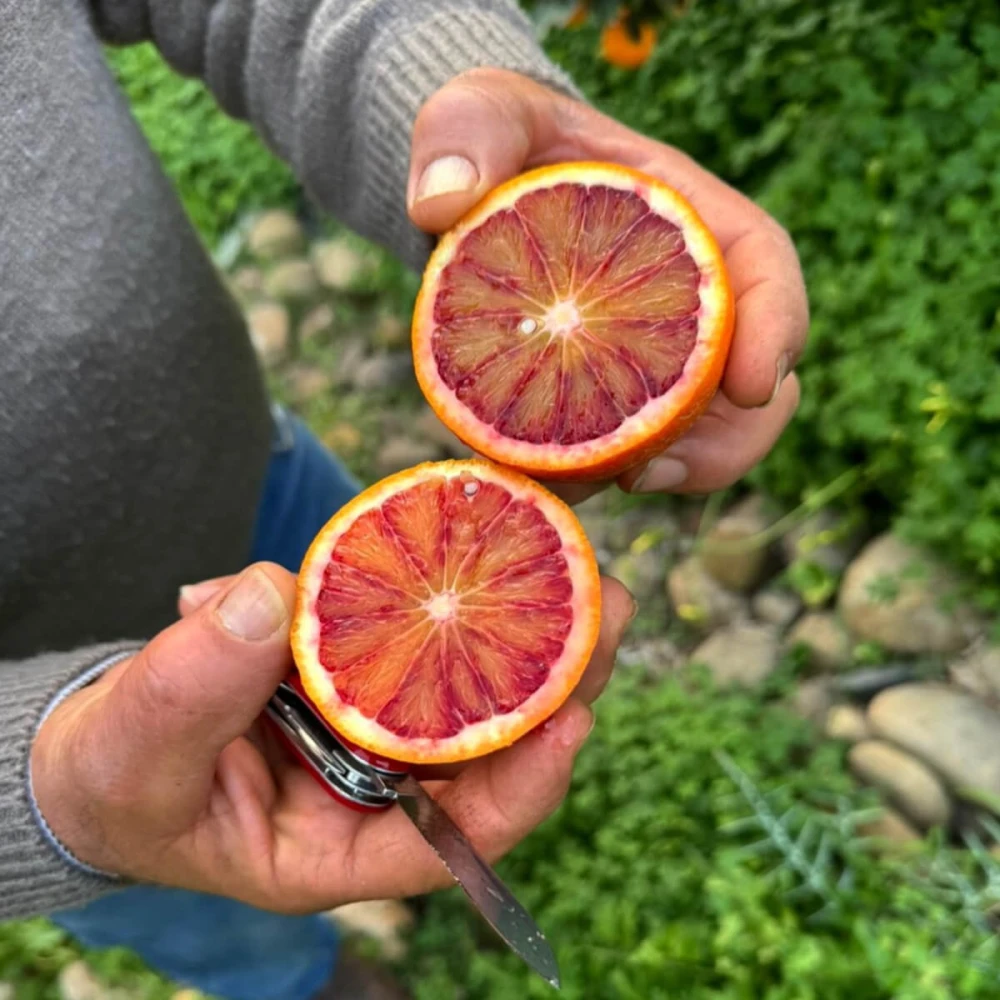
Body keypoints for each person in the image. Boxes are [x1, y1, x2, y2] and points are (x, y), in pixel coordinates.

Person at [0, 1, 808, 999]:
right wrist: (40, 798)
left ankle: (384, 824)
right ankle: (309, 980)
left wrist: (454, 118)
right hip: (76, 763)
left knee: (432, 644)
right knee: (221, 916)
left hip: (271, 493)